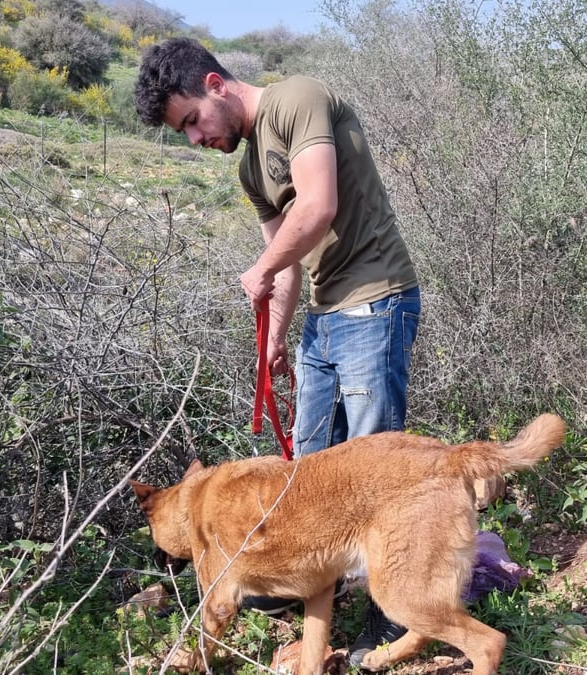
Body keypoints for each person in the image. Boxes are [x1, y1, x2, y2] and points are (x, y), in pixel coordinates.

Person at [134, 37, 421, 668]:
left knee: (375, 467)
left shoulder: (298, 99)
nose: (195, 140)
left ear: (214, 85)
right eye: (182, 134)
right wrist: (273, 342)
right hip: (323, 316)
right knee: (307, 480)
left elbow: (318, 207)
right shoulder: (248, 169)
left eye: (191, 122)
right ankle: (311, 603)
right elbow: (287, 268)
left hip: (375, 301)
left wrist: (262, 266)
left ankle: (388, 615)